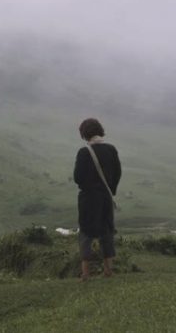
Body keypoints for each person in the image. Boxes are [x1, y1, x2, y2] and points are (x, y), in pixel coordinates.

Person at [73, 118, 121, 280]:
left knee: (86, 233)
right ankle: (108, 270)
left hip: (88, 199)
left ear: (84, 134)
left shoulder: (84, 152)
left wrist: (89, 187)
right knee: (106, 232)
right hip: (106, 197)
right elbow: (117, 173)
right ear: (100, 130)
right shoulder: (111, 150)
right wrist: (110, 190)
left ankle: (86, 273)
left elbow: (78, 177)